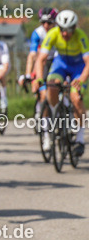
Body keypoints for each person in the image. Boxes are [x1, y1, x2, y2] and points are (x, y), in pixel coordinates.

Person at [35, 9, 89, 158]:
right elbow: (41, 59)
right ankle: (54, 114)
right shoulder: (52, 34)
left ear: (74, 27)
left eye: (69, 30)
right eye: (62, 30)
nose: (65, 34)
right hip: (62, 64)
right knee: (51, 86)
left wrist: (81, 80)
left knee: (76, 98)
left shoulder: (81, 36)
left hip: (78, 67)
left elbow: (88, 62)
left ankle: (79, 138)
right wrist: (39, 79)